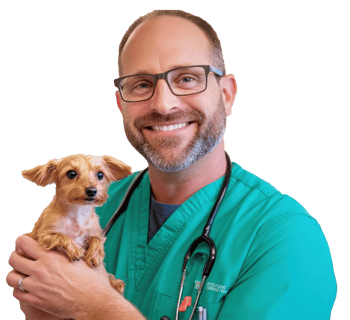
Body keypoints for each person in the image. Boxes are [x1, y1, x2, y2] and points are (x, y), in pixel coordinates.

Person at [6, 9, 337, 320]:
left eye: (188, 79)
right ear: (122, 105)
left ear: (226, 94)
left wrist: (96, 306)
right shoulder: (90, 204)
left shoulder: (287, 238)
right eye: (142, 84)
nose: (163, 105)